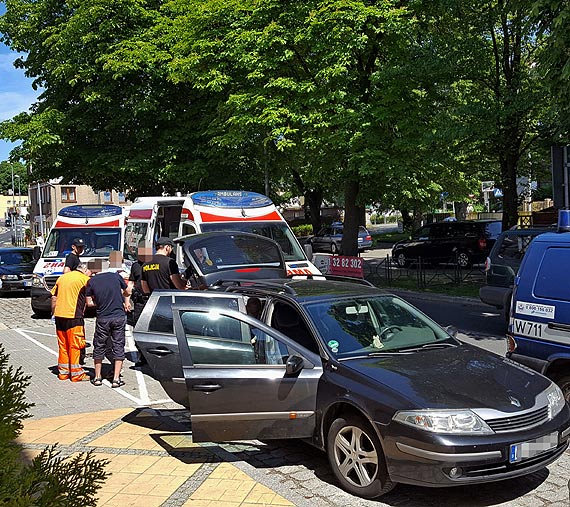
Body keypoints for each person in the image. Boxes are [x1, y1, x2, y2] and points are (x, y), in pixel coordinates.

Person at [86, 256, 130, 388]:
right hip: (118, 316)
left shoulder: (91, 282)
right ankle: (116, 379)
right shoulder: (116, 277)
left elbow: (89, 303)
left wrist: (100, 302)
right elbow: (127, 291)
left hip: (103, 317)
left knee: (99, 345)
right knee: (118, 345)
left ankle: (98, 377)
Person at [50, 263, 92, 382]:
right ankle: (76, 374)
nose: (92, 275)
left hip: (59, 316)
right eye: (91, 272)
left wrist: (53, 313)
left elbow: (53, 298)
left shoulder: (62, 277)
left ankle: (63, 373)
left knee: (63, 345)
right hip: (74, 317)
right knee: (75, 345)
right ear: (85, 270)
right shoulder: (85, 280)